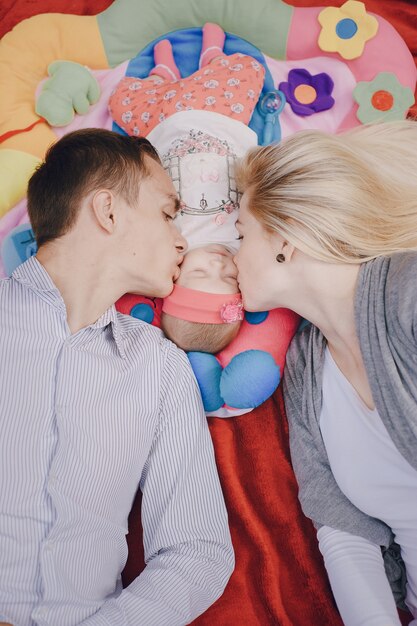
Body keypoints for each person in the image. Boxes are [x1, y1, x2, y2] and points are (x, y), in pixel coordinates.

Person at [0, 128, 234, 626]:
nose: (182, 240)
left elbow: (198, 551)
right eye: (169, 213)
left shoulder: (160, 367)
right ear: (107, 211)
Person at [232, 120, 417, 626]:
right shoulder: (305, 365)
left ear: (285, 239)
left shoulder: (408, 291)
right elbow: (341, 529)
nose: (232, 256)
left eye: (240, 233)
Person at [109, 23, 265, 353]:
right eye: (228, 279)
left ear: (175, 276)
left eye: (200, 273)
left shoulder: (171, 244)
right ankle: (213, 55)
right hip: (219, 118)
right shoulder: (245, 247)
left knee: (121, 103)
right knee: (249, 71)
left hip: (165, 127)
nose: (218, 265)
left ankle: (160, 74)